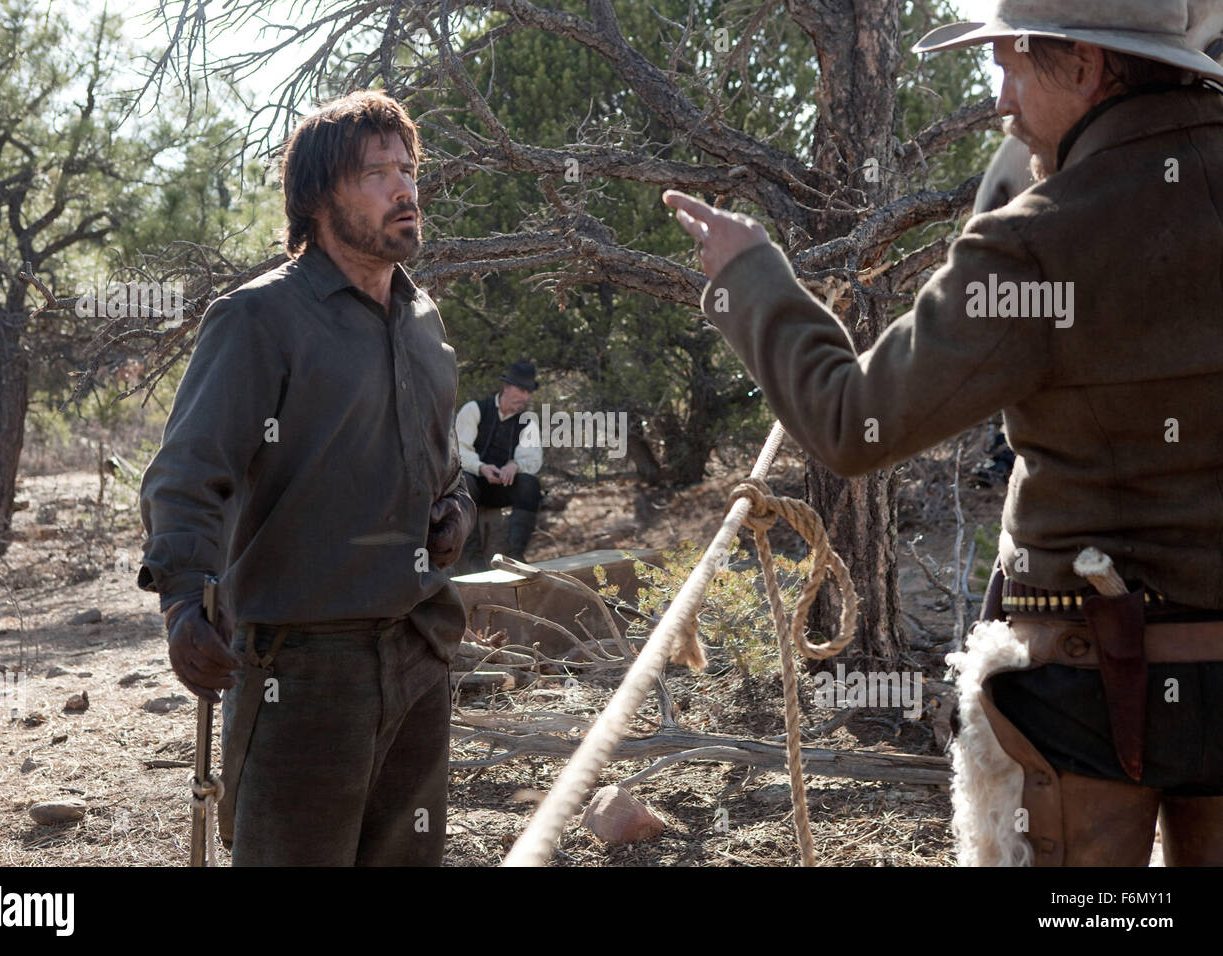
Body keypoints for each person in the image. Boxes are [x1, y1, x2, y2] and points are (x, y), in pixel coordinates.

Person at [664, 0, 1223, 866]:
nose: (1001, 101)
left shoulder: (1037, 239)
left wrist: (751, 281)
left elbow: (851, 421)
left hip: (1090, 691)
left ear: (1082, 62)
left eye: (1010, 65)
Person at [136, 89, 474, 866]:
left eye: (407, 168)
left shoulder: (424, 323)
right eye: (375, 174)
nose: (404, 189)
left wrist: (454, 511)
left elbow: (442, 466)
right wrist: (183, 603)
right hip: (302, 671)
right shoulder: (259, 319)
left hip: (421, 650)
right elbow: (189, 475)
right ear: (321, 198)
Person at [455, 360, 543, 565]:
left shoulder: (528, 423)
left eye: (529, 392)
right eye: (521, 390)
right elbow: (458, 450)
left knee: (530, 485)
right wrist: (481, 468)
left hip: (502, 487)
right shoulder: (475, 410)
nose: (525, 397)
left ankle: (515, 555)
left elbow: (532, 458)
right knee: (463, 481)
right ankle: (472, 558)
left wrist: (514, 465)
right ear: (506, 387)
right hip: (473, 484)